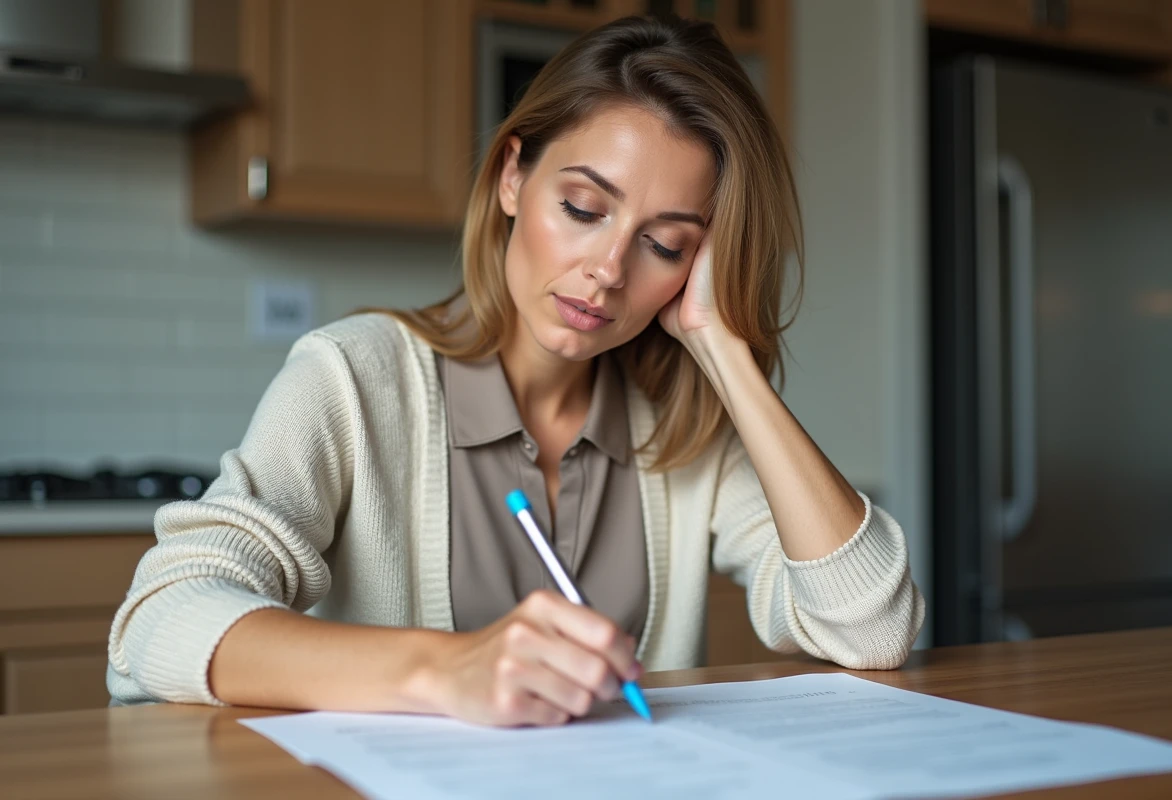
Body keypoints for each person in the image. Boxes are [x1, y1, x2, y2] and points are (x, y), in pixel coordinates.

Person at [107, 14, 924, 727]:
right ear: (511, 176)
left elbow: (872, 631)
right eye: (583, 208)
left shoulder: (687, 426)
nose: (608, 270)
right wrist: (441, 672)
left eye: (665, 244)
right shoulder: (353, 379)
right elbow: (160, 619)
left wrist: (724, 352)